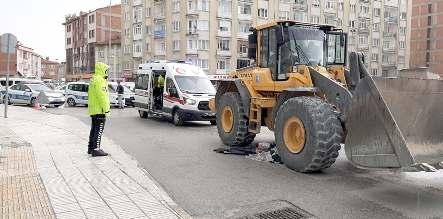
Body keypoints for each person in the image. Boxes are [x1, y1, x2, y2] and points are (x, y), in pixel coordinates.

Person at [87, 62, 110, 157]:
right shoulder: (100, 80)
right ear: (102, 70)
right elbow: (102, 96)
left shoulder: (93, 79)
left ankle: (91, 148)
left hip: (93, 109)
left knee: (93, 129)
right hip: (99, 109)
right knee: (99, 130)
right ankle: (96, 149)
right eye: (106, 70)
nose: (107, 72)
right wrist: (106, 109)